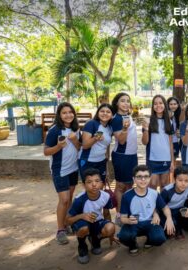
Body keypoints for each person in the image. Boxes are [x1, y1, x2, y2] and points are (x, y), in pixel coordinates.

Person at [44, 102, 81, 245]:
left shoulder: (75, 129)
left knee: (70, 197)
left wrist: (74, 140)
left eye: (70, 112)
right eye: (64, 112)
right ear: (59, 115)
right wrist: (58, 146)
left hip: (73, 168)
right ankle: (60, 230)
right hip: (60, 169)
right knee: (64, 199)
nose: (68, 115)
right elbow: (46, 152)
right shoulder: (54, 130)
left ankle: (67, 223)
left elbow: (79, 148)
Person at [117, 165, 175, 254]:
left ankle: (149, 240)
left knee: (159, 238)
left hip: (150, 222)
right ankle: (132, 244)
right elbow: (122, 218)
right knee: (124, 236)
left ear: (150, 178)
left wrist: (169, 218)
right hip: (134, 224)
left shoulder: (154, 193)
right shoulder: (127, 196)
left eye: (146, 176)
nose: (143, 179)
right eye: (139, 177)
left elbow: (165, 208)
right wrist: (128, 220)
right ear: (134, 179)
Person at [67, 168, 116, 264]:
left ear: (102, 183)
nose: (94, 184)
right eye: (89, 182)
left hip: (97, 222)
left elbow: (106, 213)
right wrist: (82, 216)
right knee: (84, 228)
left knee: (111, 227)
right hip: (82, 223)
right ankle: (82, 246)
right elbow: (67, 220)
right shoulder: (79, 199)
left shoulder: (105, 196)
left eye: (97, 181)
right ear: (84, 185)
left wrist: (111, 234)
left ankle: (95, 239)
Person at [111, 93, 138, 223]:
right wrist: (125, 128)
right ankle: (119, 214)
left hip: (132, 155)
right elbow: (121, 141)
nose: (126, 103)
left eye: (128, 101)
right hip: (122, 156)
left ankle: (126, 212)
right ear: (117, 103)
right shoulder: (116, 119)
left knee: (130, 185)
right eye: (123, 101)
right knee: (121, 186)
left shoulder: (127, 116)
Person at [142, 95, 175, 189]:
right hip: (153, 159)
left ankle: (162, 204)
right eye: (155, 103)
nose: (158, 105)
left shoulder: (169, 122)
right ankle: (152, 204)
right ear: (152, 106)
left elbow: (170, 143)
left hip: (166, 159)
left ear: (164, 105)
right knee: (152, 185)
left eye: (160, 103)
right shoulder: (148, 120)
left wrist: (172, 161)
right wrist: (145, 129)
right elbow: (145, 142)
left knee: (165, 185)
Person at [78, 103, 114, 183]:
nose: (105, 113)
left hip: (101, 161)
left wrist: (107, 166)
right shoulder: (91, 123)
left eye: (108, 112)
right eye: (102, 111)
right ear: (98, 113)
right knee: (90, 188)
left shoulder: (110, 127)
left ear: (112, 115)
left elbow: (106, 146)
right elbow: (85, 145)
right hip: (87, 161)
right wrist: (95, 138)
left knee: (101, 186)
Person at [160, 166, 188, 240]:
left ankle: (179, 229)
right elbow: (160, 207)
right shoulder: (167, 191)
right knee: (168, 232)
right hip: (167, 211)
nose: (183, 183)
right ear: (174, 180)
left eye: (186, 181)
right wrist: (168, 218)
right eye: (180, 180)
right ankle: (171, 227)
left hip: (179, 210)